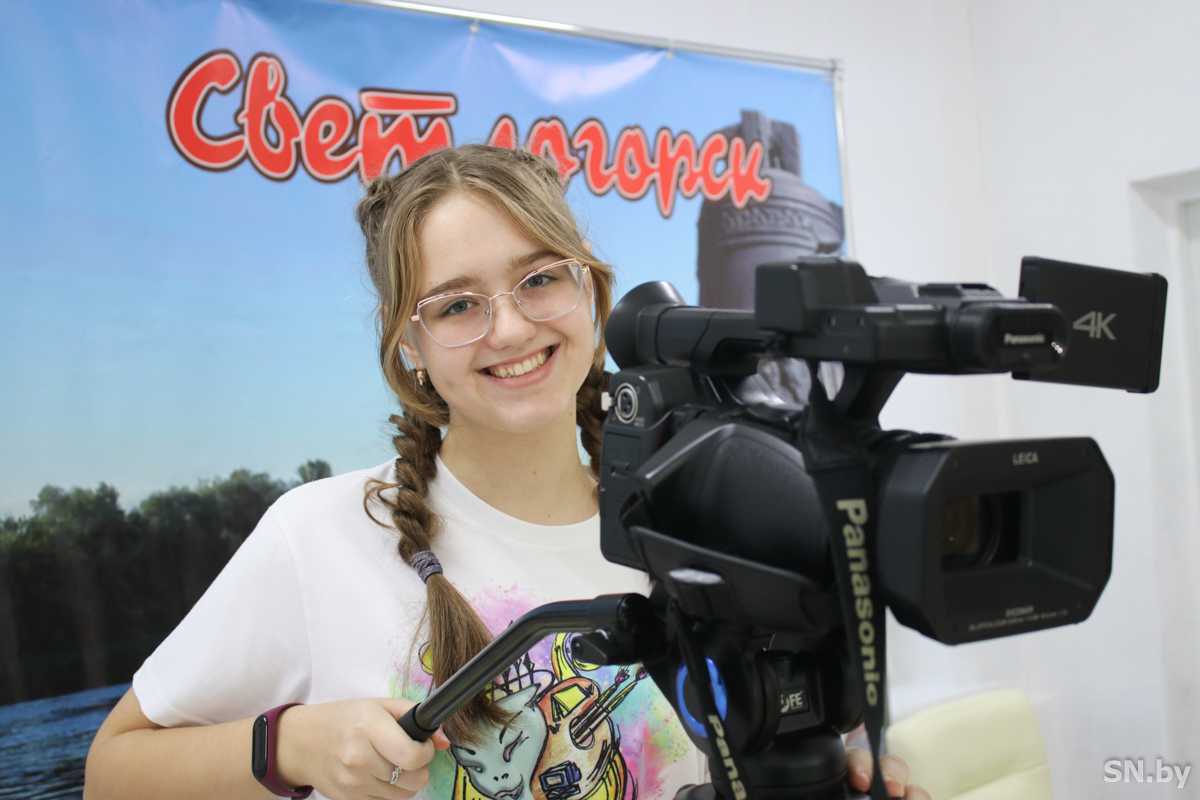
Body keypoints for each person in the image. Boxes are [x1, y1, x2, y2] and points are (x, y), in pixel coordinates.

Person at [83, 144, 928, 800]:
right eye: (457, 304)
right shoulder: (321, 535)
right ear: (408, 345)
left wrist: (851, 771)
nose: (511, 329)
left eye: (538, 279)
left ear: (590, 289)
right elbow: (111, 773)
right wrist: (290, 746)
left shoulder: (712, 521)